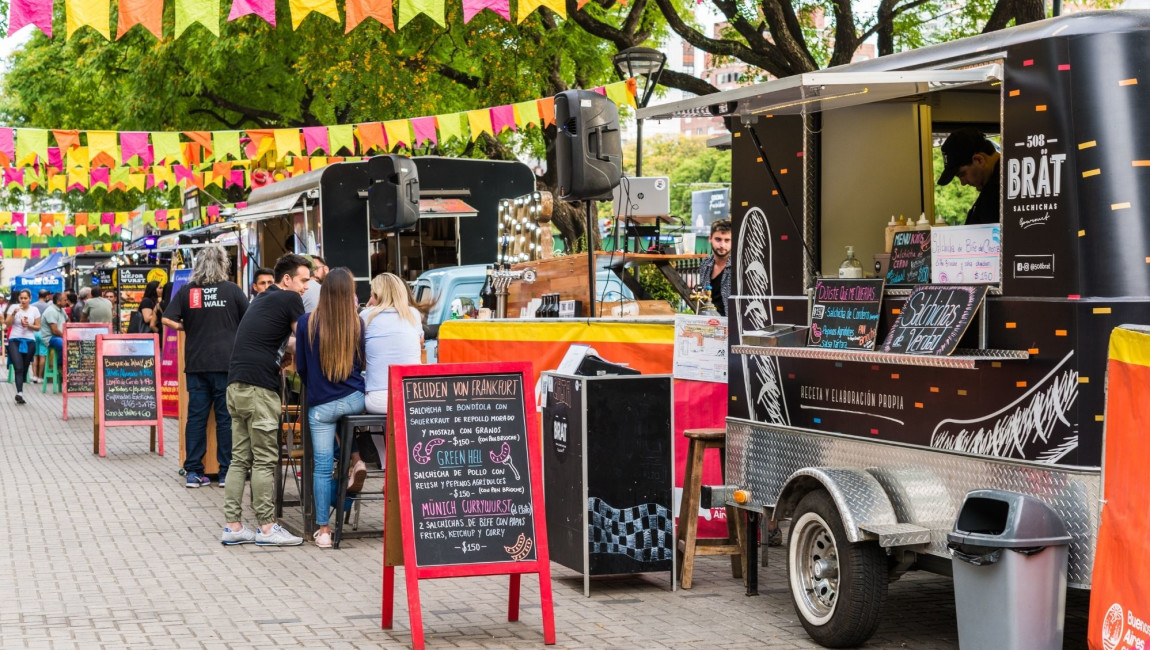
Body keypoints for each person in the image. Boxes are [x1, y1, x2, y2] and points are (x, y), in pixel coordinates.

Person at [220, 253, 310, 547]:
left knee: (239, 459)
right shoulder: (289, 298)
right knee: (264, 460)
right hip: (259, 389)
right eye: (303, 280)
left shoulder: (262, 299)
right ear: (288, 279)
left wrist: (281, 353)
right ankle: (268, 528)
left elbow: (277, 340)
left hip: (236, 385)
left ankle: (233, 526)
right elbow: (304, 339)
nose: (306, 287)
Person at [163, 246, 249, 489]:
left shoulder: (188, 291)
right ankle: (225, 473)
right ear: (223, 264)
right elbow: (249, 319)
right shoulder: (232, 290)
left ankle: (193, 471)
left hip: (197, 364)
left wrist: (185, 327)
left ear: (198, 265)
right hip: (226, 363)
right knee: (225, 419)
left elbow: (166, 318)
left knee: (196, 418)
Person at [295, 268, 367, 549]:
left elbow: (301, 367)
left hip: (321, 406)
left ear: (323, 291)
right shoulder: (357, 323)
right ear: (349, 293)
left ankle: (324, 531)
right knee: (344, 427)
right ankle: (355, 461)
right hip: (353, 400)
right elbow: (362, 364)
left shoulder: (306, 322)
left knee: (322, 468)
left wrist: (317, 387)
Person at [361, 273, 424, 415]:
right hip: (413, 397)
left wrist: (368, 308)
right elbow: (420, 343)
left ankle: (377, 431)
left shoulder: (366, 316)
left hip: (379, 400)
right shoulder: (413, 314)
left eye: (371, 295)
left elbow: (360, 353)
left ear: (376, 295)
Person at [937, 127, 1001, 225]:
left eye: (962, 174)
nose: (963, 183)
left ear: (979, 160)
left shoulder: (999, 192)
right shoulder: (992, 187)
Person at [4, 289, 40, 404]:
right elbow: (7, 324)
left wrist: (29, 325)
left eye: (25, 298)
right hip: (14, 340)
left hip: (30, 341)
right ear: (19, 298)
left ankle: (21, 387)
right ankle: (19, 393)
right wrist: (14, 313)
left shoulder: (34, 310)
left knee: (24, 367)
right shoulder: (13, 308)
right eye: (21, 298)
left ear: (30, 299)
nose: (23, 300)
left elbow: (38, 327)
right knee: (18, 367)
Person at [697, 219, 732, 317]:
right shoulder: (705, 263)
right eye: (718, 239)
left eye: (727, 240)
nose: (722, 245)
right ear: (710, 239)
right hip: (708, 319)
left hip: (732, 321)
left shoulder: (739, 266)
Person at [38, 292, 69, 376]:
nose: (67, 302)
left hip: (59, 336)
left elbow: (68, 320)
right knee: (64, 343)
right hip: (50, 338)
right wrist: (66, 336)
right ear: (58, 302)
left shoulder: (61, 310)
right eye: (65, 300)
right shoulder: (51, 311)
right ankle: (60, 365)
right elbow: (54, 330)